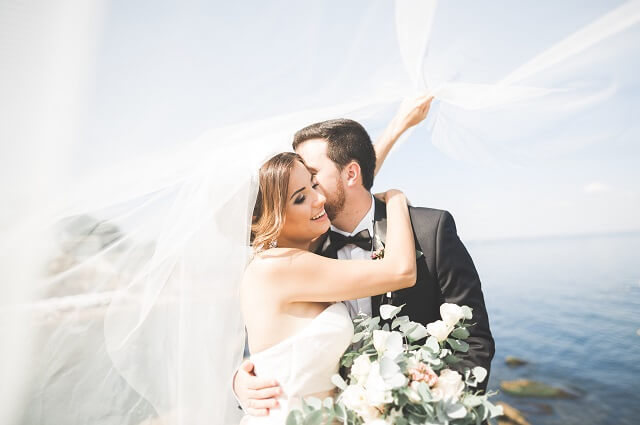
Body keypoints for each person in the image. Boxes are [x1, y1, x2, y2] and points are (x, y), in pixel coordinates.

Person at [235, 96, 495, 417]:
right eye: (305, 187)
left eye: (314, 178)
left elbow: (474, 339)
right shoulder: (304, 250)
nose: (315, 193)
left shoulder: (430, 229)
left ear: (352, 173)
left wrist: (438, 410)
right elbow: (275, 346)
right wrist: (242, 379)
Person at [240, 150, 417, 423]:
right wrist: (395, 199)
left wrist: (399, 126)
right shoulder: (277, 267)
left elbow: (345, 184)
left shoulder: (291, 257)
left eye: (313, 184)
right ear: (268, 216)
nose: (320, 198)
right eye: (300, 198)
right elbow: (401, 271)